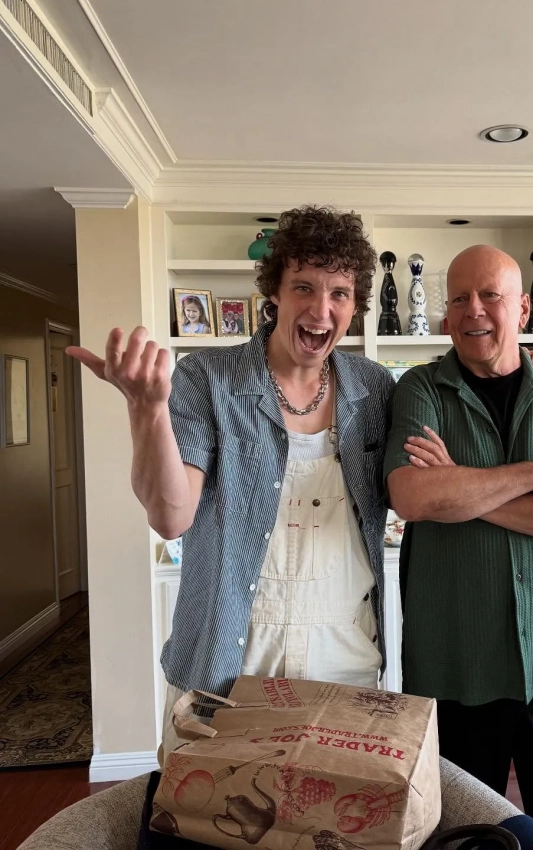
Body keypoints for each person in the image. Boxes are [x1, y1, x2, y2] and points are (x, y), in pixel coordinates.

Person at [67, 205, 396, 764]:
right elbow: (171, 516)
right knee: (207, 809)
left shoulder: (374, 387)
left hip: (344, 653)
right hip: (228, 652)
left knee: (331, 808)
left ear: (355, 304)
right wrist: (147, 410)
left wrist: (523, 370)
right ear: (275, 294)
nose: (321, 309)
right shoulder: (208, 377)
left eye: (339, 293)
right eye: (303, 287)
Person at [383, 244, 533, 849]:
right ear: (445, 315)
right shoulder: (419, 389)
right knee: (462, 837)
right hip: (455, 662)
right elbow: (412, 496)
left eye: (490, 295)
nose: (474, 310)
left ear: (521, 309)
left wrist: (464, 489)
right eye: (459, 298)